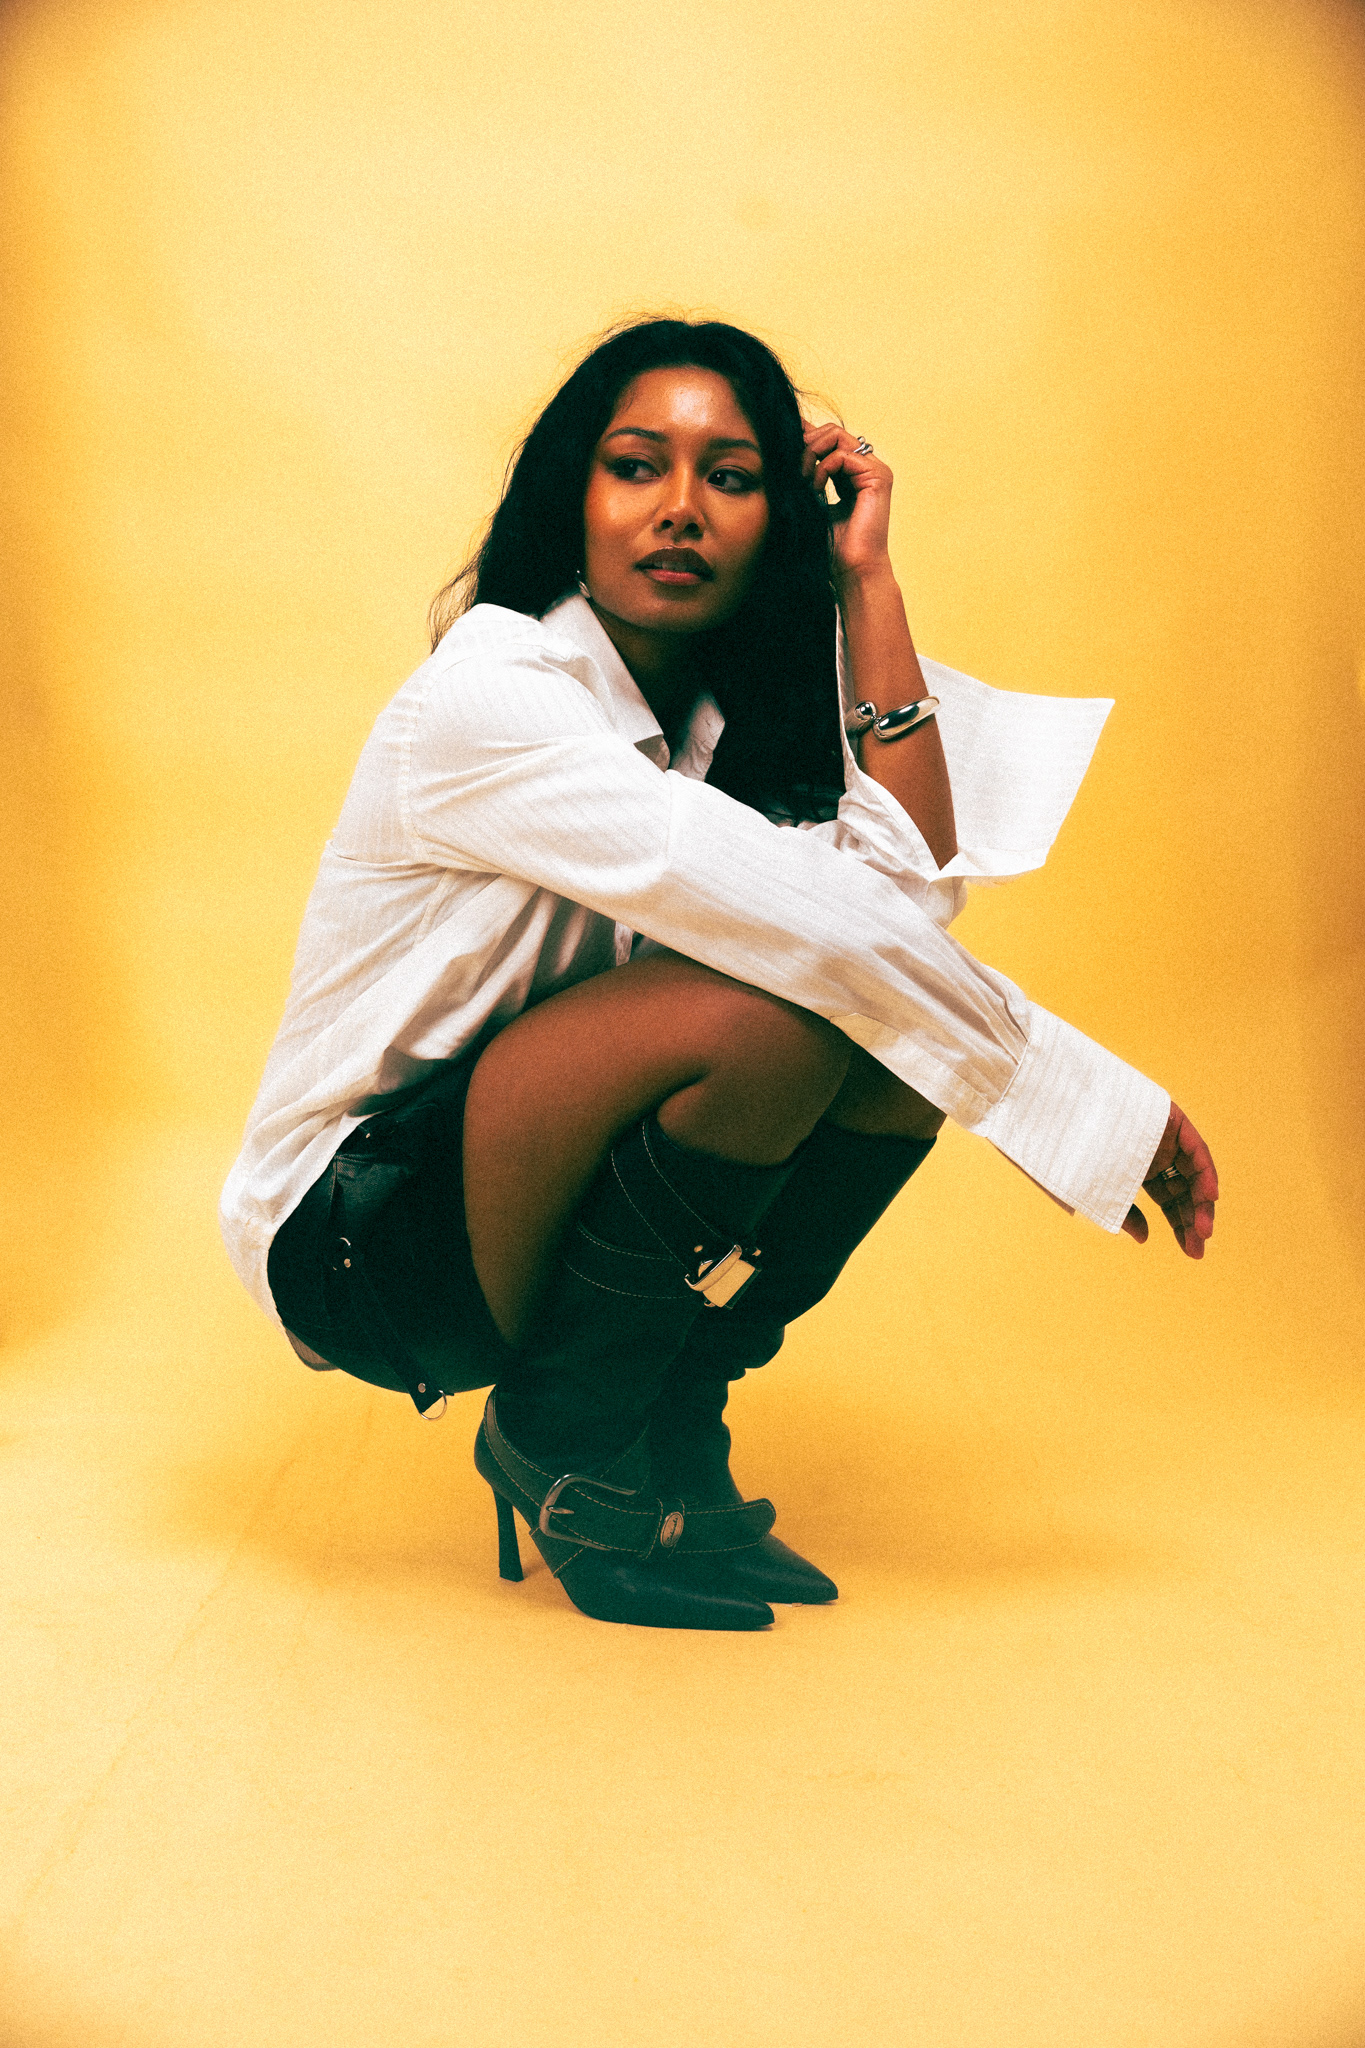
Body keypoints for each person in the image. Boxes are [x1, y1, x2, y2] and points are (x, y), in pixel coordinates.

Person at [220, 317, 1218, 1634]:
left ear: (774, 522)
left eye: (732, 478)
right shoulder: (493, 695)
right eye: (636, 466)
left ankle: (668, 1435)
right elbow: (837, 943)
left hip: (508, 1183)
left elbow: (902, 905)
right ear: (572, 497)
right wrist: (1076, 1107)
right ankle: (564, 1441)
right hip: (363, 1235)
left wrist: (864, 581)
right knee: (778, 1015)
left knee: (885, 1050)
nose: (680, 508)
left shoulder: (704, 726)